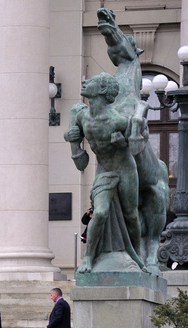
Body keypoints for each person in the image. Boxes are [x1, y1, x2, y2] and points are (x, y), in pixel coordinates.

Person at [64, 72, 144, 273]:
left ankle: (137, 258)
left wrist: (124, 141)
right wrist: (73, 140)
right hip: (104, 170)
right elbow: (81, 164)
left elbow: (136, 148)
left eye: (89, 81)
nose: (84, 82)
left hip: (125, 169)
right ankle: (88, 258)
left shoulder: (117, 120)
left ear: (101, 90)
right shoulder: (80, 116)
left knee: (131, 216)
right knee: (99, 212)